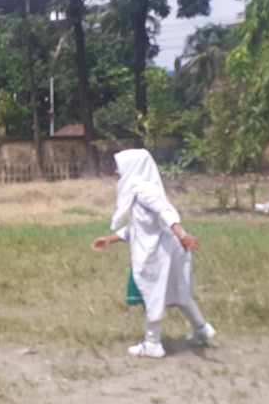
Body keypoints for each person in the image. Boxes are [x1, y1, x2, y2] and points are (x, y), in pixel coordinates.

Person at [91, 149, 216, 358]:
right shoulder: (141, 191)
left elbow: (165, 212)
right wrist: (110, 239)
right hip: (169, 250)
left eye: (119, 167)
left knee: (153, 295)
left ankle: (152, 343)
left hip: (162, 253)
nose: (116, 172)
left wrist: (181, 235)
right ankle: (202, 328)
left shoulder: (144, 192)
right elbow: (138, 227)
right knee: (178, 292)